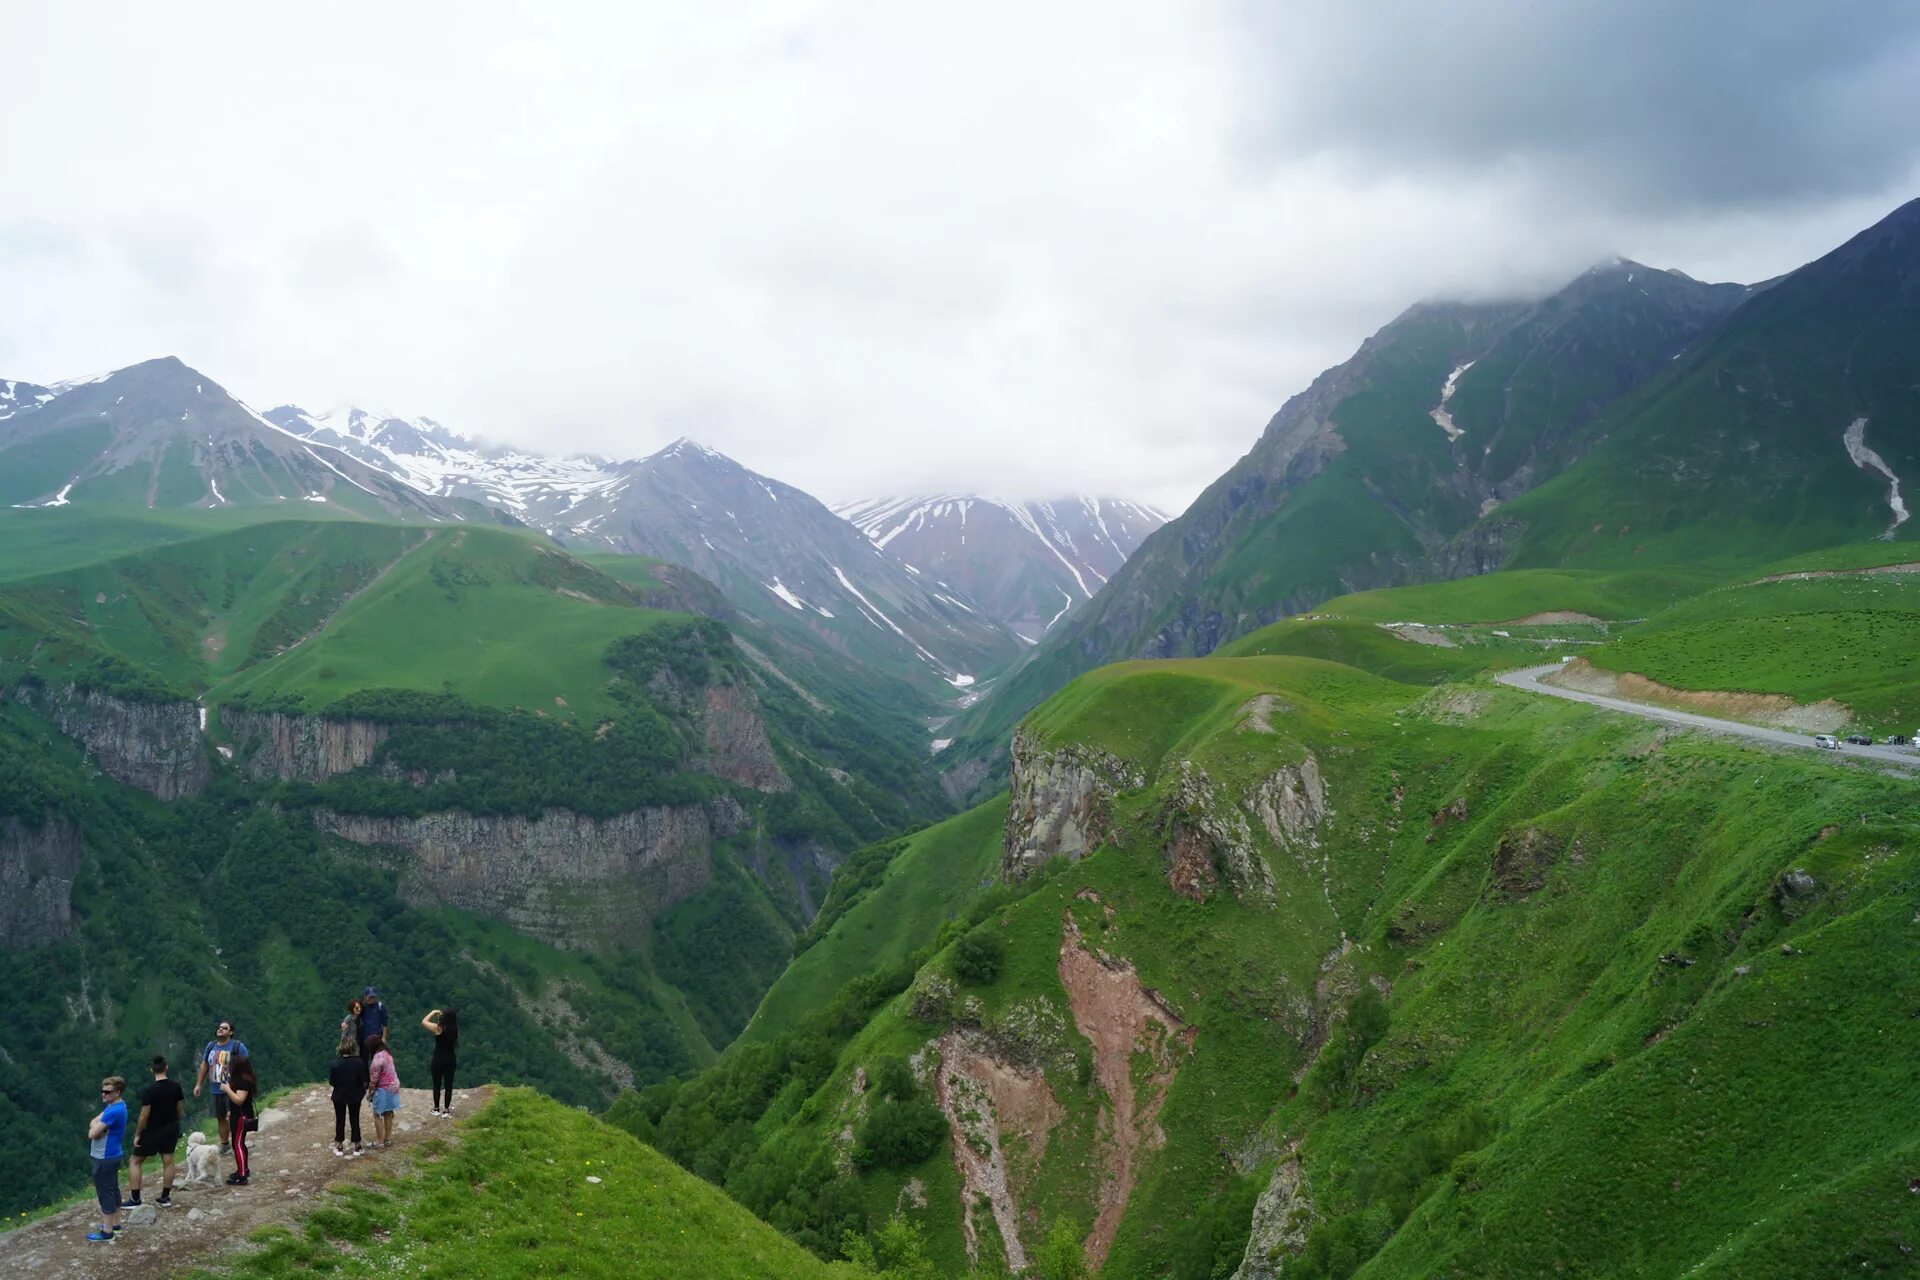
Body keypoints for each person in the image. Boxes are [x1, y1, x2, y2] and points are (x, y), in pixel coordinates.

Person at [127, 1055, 184, 1208]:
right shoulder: (176, 1086)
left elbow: (144, 1114)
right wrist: (176, 1122)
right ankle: (165, 1197)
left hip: (153, 1129)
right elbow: (180, 1110)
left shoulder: (149, 1090)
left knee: (135, 1161)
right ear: (166, 1068)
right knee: (168, 1161)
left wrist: (138, 1133)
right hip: (171, 1127)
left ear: (152, 1070)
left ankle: (135, 1199)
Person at [192, 1019, 248, 1154]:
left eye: (224, 1028)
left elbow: (245, 1067)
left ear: (231, 1032)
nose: (220, 1029)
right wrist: (198, 1084)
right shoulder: (211, 1046)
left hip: (232, 1089)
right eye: (219, 1027)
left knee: (233, 1118)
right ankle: (224, 1144)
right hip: (216, 1090)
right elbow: (204, 1065)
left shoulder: (237, 1047)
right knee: (221, 1118)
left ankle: (238, 1143)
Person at [86, 1075, 128, 1243]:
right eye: (102, 1091)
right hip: (113, 1154)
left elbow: (91, 1133)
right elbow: (93, 1122)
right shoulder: (118, 1106)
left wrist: (97, 1127)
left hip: (104, 1156)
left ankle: (107, 1231)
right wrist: (96, 1126)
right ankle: (116, 1225)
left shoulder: (113, 1111)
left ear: (117, 1092)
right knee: (113, 1190)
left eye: (107, 1092)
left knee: (105, 1193)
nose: (103, 1094)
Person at [329, 1036, 370, 1156]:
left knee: (340, 1119)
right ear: (354, 1048)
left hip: (339, 1095)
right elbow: (364, 1080)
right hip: (355, 1095)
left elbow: (332, 1082)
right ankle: (357, 1146)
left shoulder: (336, 1063)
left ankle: (339, 1146)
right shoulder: (359, 1062)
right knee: (354, 1118)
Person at [221, 1053, 257, 1186]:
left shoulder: (243, 1081)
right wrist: (231, 1110)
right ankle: (243, 1169)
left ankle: (242, 1176)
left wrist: (226, 1089)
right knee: (240, 1144)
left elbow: (240, 1099)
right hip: (239, 1114)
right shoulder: (245, 1078)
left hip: (241, 1117)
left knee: (237, 1144)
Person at [421, 1007, 459, 1118]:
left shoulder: (438, 1028)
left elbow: (424, 1022)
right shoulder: (455, 1030)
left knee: (436, 1084)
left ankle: (436, 1108)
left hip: (438, 1059)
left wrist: (433, 1012)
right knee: (448, 1085)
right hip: (450, 1060)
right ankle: (446, 1110)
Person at [366, 1034, 401, 1149]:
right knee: (388, 1112)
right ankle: (387, 1139)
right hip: (394, 1086)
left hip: (383, 1089)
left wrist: (370, 1093)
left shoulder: (377, 1059)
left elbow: (374, 1080)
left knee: (377, 1114)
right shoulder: (387, 1054)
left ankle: (379, 1141)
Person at [358, 987, 389, 1058]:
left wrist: (384, 1038)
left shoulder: (380, 1006)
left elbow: (385, 1023)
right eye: (370, 997)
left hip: (377, 1037)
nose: (372, 998)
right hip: (365, 1038)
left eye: (373, 996)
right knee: (363, 1059)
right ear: (365, 997)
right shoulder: (362, 1008)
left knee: (377, 1059)